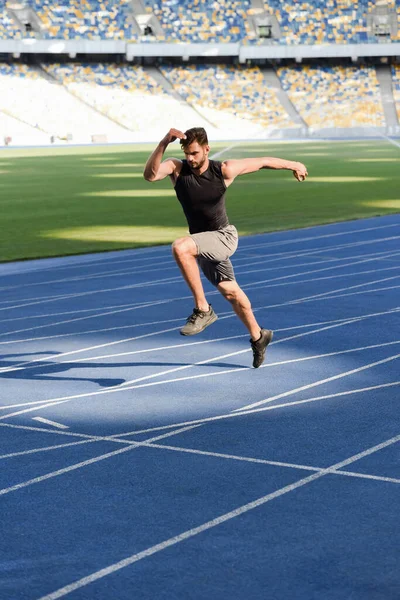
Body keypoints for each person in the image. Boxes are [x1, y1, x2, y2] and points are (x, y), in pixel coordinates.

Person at [143, 127, 308, 368]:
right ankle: (259, 336)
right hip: (202, 242)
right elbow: (150, 175)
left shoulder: (224, 169)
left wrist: (294, 164)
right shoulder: (176, 168)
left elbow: (262, 162)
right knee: (231, 293)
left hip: (222, 237)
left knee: (180, 247)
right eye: (187, 153)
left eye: (195, 153)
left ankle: (203, 309)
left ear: (207, 149)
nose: (190, 158)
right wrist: (163, 142)